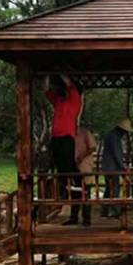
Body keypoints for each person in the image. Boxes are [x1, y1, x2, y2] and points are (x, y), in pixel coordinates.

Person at [44, 74, 82, 224]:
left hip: (67, 136)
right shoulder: (59, 101)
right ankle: (65, 188)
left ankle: (75, 185)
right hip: (56, 137)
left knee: (68, 166)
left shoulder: (74, 100)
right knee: (59, 166)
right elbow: (47, 91)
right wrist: (48, 76)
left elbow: (70, 84)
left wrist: (59, 72)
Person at [100, 118, 133, 218]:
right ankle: (114, 211)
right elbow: (117, 154)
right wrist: (123, 168)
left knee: (109, 188)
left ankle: (104, 211)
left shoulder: (111, 135)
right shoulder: (114, 137)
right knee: (115, 189)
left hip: (107, 166)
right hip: (112, 167)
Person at [69, 124, 97, 226]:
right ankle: (73, 217)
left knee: (86, 192)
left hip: (85, 166)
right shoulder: (69, 134)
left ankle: (86, 219)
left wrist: (82, 156)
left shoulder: (84, 132)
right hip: (74, 166)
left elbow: (93, 147)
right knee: (74, 192)